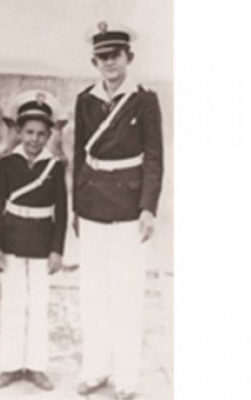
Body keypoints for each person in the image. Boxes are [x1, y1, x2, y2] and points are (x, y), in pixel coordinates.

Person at [73, 22, 164, 400]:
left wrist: (147, 207)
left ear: (129, 57)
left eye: (116, 55)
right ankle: (96, 369)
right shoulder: (85, 100)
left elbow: (154, 158)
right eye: (102, 57)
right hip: (92, 204)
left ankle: (127, 376)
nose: (109, 62)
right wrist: (77, 206)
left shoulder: (144, 101)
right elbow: (79, 156)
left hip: (128, 207)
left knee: (126, 293)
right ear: (95, 61)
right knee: (93, 292)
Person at [0, 90, 68, 392]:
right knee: (12, 303)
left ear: (49, 135)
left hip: (41, 242)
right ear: (19, 132)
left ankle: (36, 366)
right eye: (29, 132)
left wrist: (57, 250)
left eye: (40, 134)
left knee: (38, 304)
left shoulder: (55, 165)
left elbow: (61, 210)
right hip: (11, 240)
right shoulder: (8, 163)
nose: (34, 139)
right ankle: (10, 365)